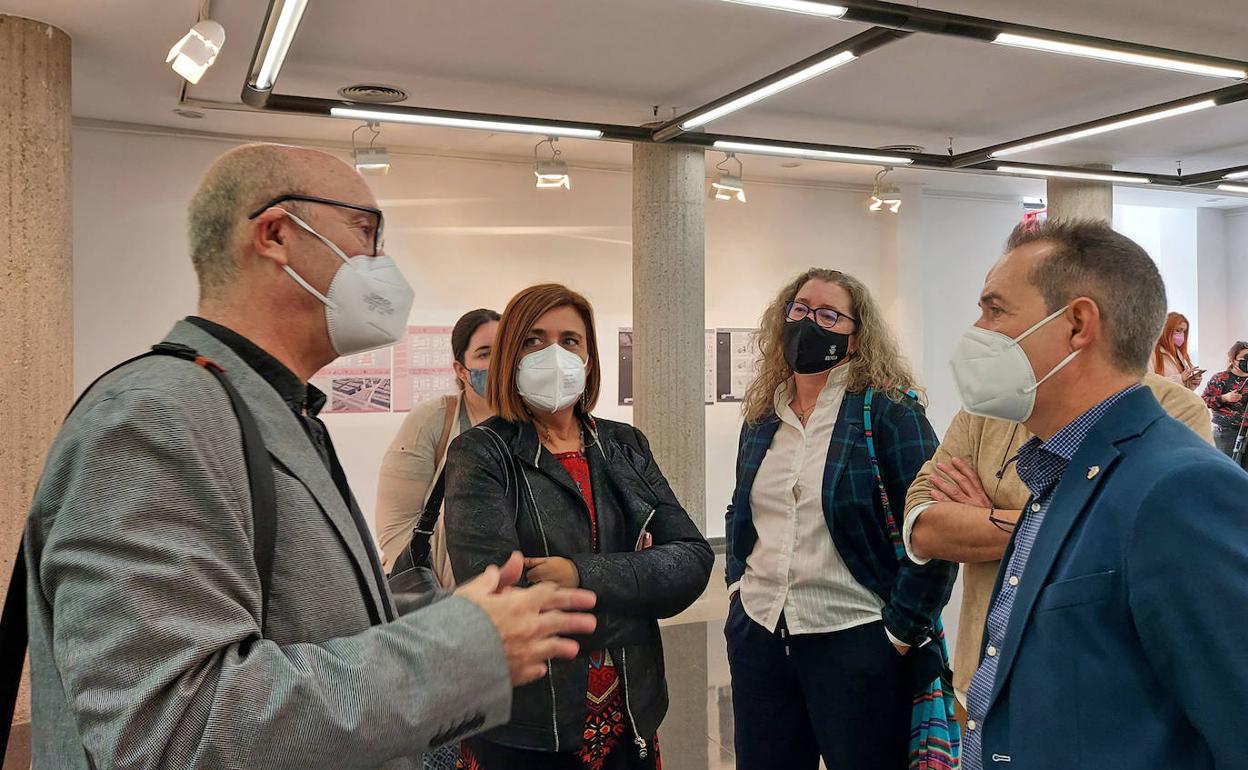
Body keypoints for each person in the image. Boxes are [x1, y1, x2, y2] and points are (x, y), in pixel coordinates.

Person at [24, 144, 598, 770]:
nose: (382, 262)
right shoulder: (153, 419)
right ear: (275, 235)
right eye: (364, 230)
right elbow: (177, 732)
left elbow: (300, 621)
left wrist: (449, 613)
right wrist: (464, 650)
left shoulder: (273, 408)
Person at [947, 219, 1248, 770]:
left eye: (995, 310)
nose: (977, 328)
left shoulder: (1180, 489)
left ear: (1078, 323)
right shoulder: (1055, 470)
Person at [442, 283, 714, 770]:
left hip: (630, 710)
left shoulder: (624, 444)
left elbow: (694, 559)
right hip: (528, 725)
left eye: (570, 341)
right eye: (534, 340)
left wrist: (578, 575)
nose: (554, 353)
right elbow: (504, 599)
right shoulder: (481, 454)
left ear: (589, 357)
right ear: (509, 354)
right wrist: (638, 579)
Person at [724, 268, 958, 770]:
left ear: (855, 338)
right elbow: (741, 507)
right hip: (761, 635)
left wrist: (898, 633)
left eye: (830, 315)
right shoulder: (764, 414)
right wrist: (735, 591)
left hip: (855, 639)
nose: (810, 323)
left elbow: (936, 527)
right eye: (801, 309)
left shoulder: (889, 413)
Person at [904, 372, 1215, 708]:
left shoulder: (1171, 407)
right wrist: (1071, 516)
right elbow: (923, 528)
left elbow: (1152, 541)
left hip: (1101, 692)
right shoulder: (985, 410)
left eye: (997, 315)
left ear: (1079, 322)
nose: (983, 332)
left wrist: (989, 519)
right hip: (983, 674)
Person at [377, 308, 501, 578]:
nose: (498, 362)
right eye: (484, 353)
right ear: (461, 369)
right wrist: (439, 593)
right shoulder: (433, 420)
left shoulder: (532, 424)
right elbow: (394, 527)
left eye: (505, 350)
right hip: (447, 596)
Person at [1202, 340, 1248, 469]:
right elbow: (1204, 400)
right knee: (1229, 470)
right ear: (1233, 359)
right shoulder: (1221, 378)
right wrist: (1224, 398)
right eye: (1245, 358)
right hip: (1227, 433)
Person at [1152, 311, 1203, 389]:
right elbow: (1149, 385)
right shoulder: (1152, 353)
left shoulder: (1179, 354)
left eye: (1184, 331)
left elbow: (1181, 390)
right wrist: (1180, 378)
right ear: (1166, 330)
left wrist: (1192, 383)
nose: (1182, 335)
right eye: (1178, 330)